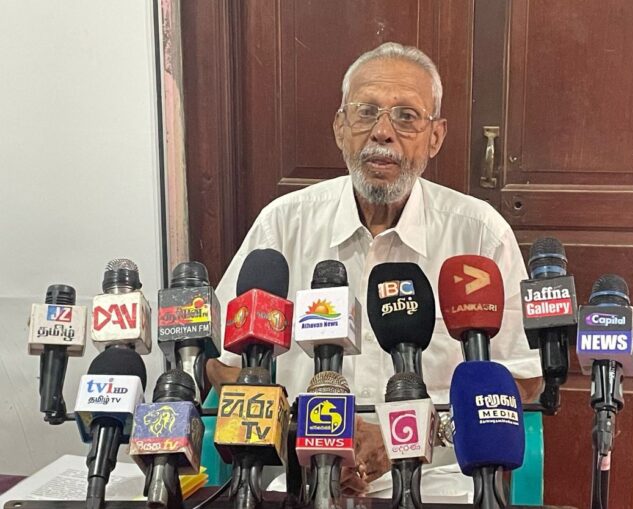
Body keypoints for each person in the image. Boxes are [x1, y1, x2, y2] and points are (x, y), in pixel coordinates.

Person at [208, 42, 543, 500]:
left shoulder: (479, 235)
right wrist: (310, 433)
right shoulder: (282, 225)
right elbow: (221, 362)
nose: (382, 132)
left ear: (435, 136)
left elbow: (523, 376)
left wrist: (409, 434)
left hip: (439, 484)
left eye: (406, 117)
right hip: (301, 480)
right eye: (366, 112)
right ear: (340, 127)